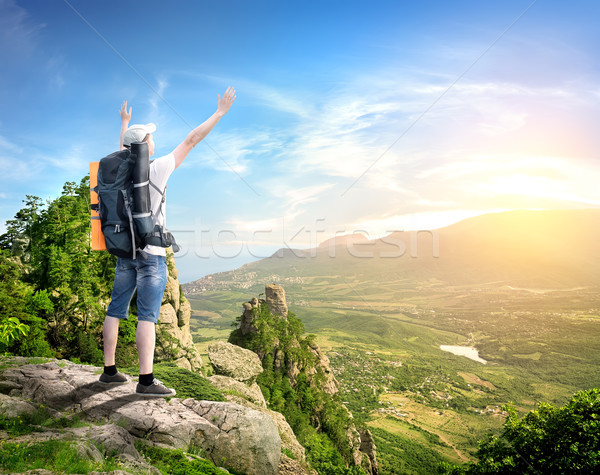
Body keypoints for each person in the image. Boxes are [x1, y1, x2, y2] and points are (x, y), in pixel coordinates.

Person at [98, 88, 236, 396]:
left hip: (125, 249)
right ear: (146, 144)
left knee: (115, 309)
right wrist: (219, 113)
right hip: (152, 253)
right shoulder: (158, 168)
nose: (153, 140)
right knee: (147, 316)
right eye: (149, 137)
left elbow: (122, 147)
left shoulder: (116, 171)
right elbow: (191, 140)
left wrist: (124, 123)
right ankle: (145, 382)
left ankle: (109, 372)